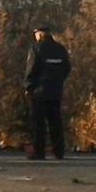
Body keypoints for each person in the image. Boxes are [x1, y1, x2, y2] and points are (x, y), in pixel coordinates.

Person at [23, 22, 71, 160]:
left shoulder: (36, 48)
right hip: (55, 90)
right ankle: (59, 150)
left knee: (39, 123)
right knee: (55, 121)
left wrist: (28, 86)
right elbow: (67, 68)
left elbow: (31, 68)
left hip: (39, 91)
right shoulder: (60, 49)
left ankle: (39, 151)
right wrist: (58, 81)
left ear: (39, 34)